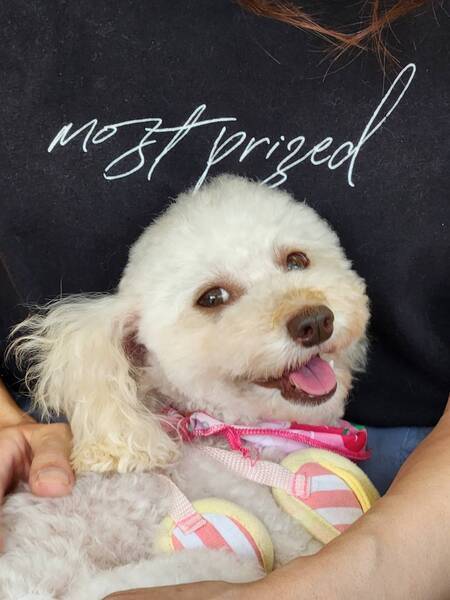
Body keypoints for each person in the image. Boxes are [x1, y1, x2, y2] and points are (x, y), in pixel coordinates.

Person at [0, 0, 448, 597]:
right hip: (48, 451)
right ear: (134, 345)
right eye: (214, 297)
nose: (303, 311)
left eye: (295, 262)